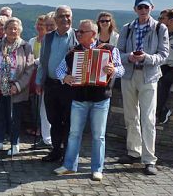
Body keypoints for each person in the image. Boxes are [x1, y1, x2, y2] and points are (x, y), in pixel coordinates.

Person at [53, 19, 124, 181]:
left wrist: (113, 70)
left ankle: (97, 168)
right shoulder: (73, 52)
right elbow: (59, 70)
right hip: (79, 98)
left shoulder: (109, 50)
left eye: (81, 32)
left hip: (101, 98)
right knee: (74, 133)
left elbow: (121, 69)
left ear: (92, 34)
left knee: (99, 136)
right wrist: (65, 77)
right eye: (78, 32)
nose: (77, 34)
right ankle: (70, 165)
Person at [116, 0, 169, 176]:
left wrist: (146, 58)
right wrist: (129, 57)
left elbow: (163, 55)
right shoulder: (127, 29)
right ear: (135, 9)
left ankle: (149, 159)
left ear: (151, 8)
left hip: (149, 77)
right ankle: (133, 152)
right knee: (131, 116)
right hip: (129, 75)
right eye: (140, 7)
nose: (143, 10)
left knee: (148, 119)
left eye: (146, 7)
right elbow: (118, 54)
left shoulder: (160, 28)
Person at [0, 17, 34, 155]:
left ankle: (14, 143)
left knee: (15, 118)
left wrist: (18, 86)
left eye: (16, 28)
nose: (13, 31)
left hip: (16, 89)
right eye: (10, 28)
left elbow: (29, 69)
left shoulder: (25, 47)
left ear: (20, 30)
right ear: (5, 30)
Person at [35, 5, 77, 162]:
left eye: (68, 15)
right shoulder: (48, 37)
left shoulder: (77, 36)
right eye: (61, 16)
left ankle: (67, 152)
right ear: (55, 19)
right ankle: (56, 150)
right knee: (53, 118)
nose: (65, 19)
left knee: (68, 119)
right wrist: (39, 81)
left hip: (69, 86)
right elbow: (43, 62)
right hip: (51, 84)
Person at [28, 15, 52, 149]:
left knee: (49, 110)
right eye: (38, 24)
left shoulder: (50, 39)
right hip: (36, 77)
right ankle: (45, 137)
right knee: (42, 110)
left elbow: (44, 59)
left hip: (49, 77)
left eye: (43, 24)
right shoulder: (32, 40)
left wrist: (35, 62)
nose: (40, 26)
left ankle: (51, 139)